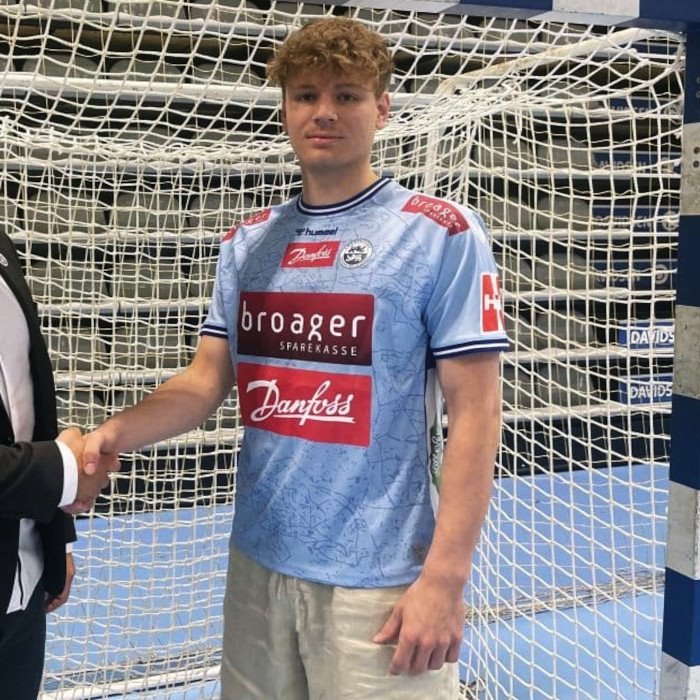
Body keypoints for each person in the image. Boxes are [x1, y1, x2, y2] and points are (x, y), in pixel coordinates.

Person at [82, 16, 508, 699]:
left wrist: (445, 579)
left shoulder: (439, 234)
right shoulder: (248, 243)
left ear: (382, 108)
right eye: (306, 95)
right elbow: (205, 380)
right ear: (285, 109)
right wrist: (114, 432)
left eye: (347, 95)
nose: (324, 112)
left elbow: (477, 412)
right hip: (260, 562)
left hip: (383, 577)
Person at [0, 229, 116, 700]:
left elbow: (29, 407)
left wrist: (56, 539)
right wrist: (63, 473)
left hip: (23, 587)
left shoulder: (1, 247)